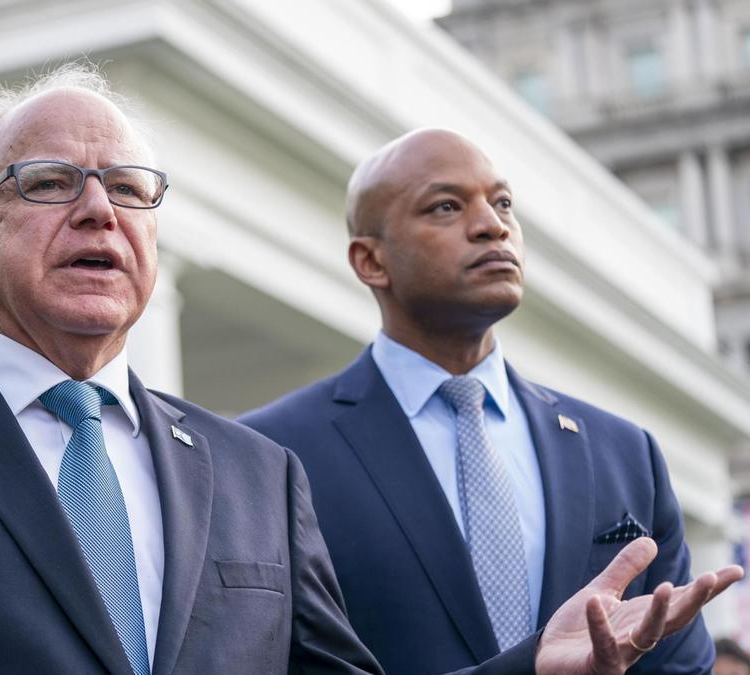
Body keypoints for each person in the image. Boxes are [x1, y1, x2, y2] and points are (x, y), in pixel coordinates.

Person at [0, 69, 737, 675]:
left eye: (131, 189)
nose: (101, 210)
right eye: (52, 182)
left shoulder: (254, 473)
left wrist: (529, 672)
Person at [240, 128, 733, 674]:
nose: (492, 225)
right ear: (370, 262)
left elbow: (678, 666)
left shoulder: (625, 452)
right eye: (446, 206)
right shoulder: (267, 454)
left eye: (502, 204)